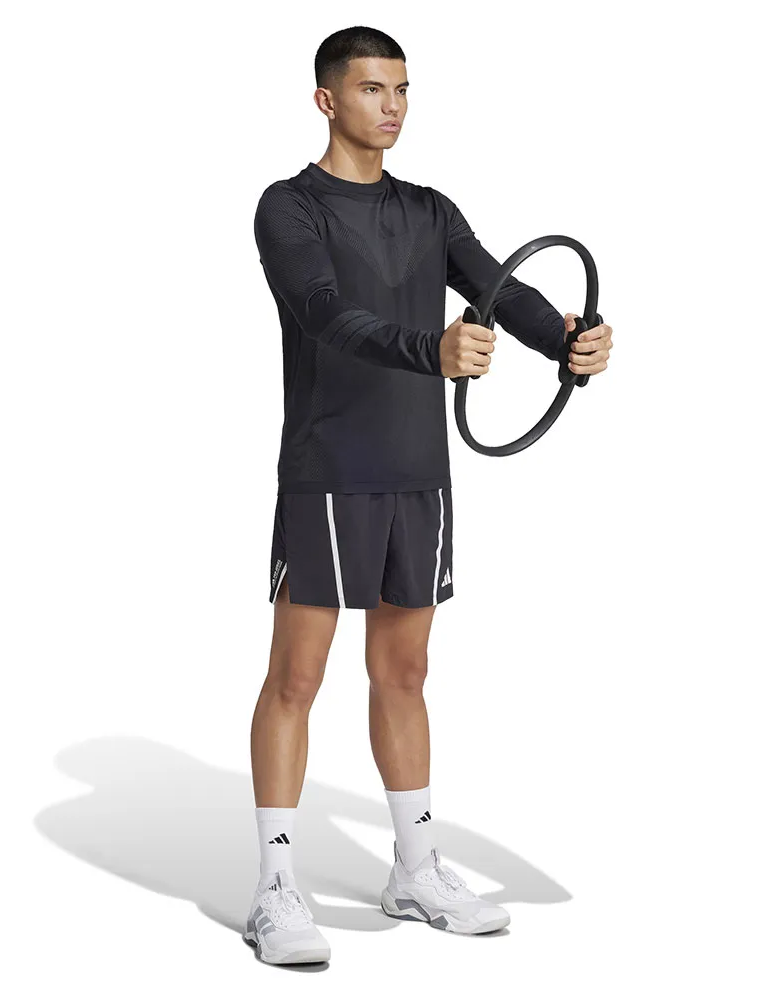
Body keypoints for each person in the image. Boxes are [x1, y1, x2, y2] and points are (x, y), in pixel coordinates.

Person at [244, 25, 609, 966]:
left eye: (403, 89)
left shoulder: (430, 209)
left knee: (404, 674)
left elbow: (500, 293)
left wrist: (567, 339)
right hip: (329, 470)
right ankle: (275, 889)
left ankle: (413, 869)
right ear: (328, 99)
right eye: (373, 89)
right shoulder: (289, 207)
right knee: (296, 678)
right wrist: (429, 350)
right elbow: (324, 312)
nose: (393, 106)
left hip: (419, 474)